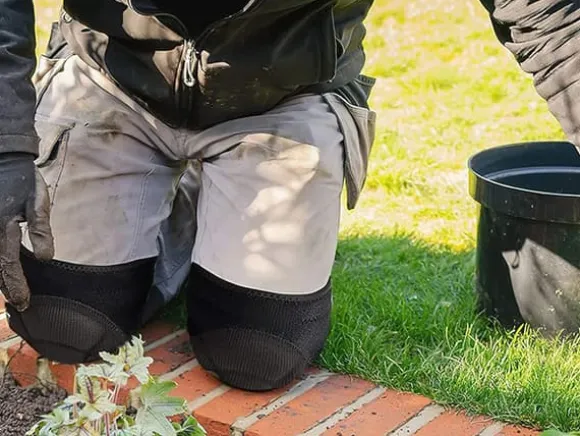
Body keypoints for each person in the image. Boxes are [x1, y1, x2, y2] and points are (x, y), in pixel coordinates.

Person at [0, 0, 376, 392]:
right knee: (63, 322)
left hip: (285, 92)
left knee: (256, 352)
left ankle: (212, 193)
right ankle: (182, 205)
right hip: (112, 73)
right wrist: (8, 148)